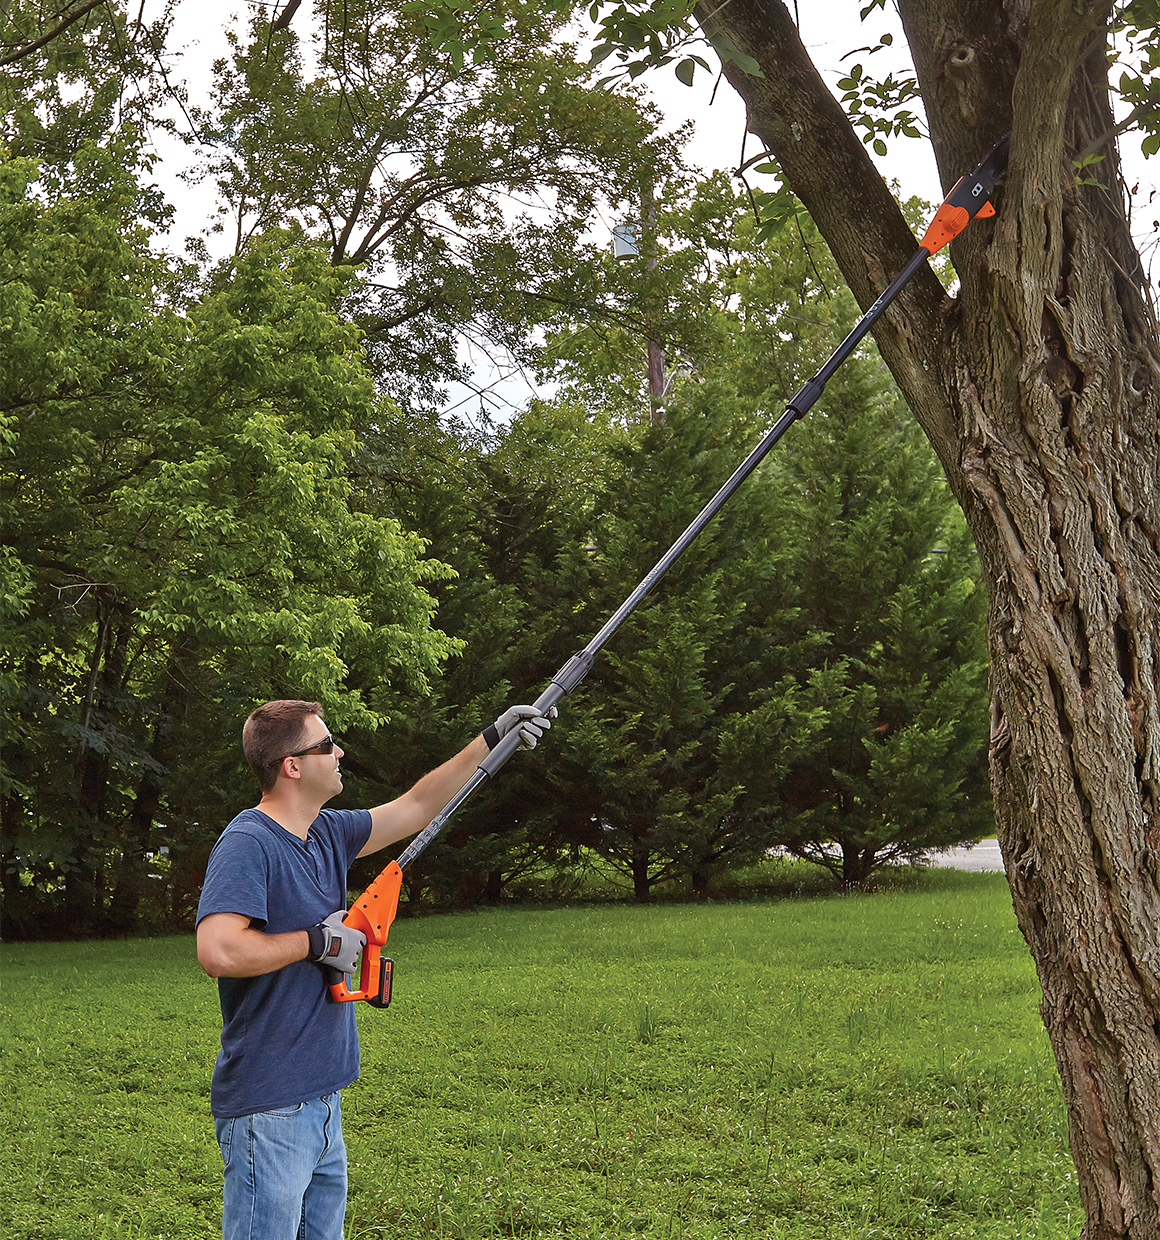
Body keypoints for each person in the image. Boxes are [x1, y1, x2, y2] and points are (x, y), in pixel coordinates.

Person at [196, 698, 554, 1240]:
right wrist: (315, 941)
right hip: (267, 1110)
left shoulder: (327, 833)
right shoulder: (249, 843)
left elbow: (416, 806)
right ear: (291, 765)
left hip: (321, 1102)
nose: (339, 751)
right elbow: (218, 951)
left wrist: (492, 738)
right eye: (325, 745)